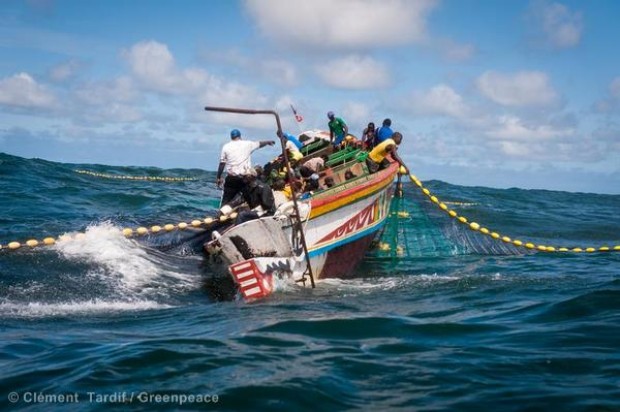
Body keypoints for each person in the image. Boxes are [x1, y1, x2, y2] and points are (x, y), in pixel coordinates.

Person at [216, 129, 275, 206]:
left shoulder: (226, 147)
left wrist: (218, 177)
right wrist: (268, 142)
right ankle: (251, 213)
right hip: (245, 178)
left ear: (231, 137)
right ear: (240, 136)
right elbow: (259, 144)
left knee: (226, 200)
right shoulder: (247, 144)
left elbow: (222, 163)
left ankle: (221, 215)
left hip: (231, 178)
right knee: (249, 198)